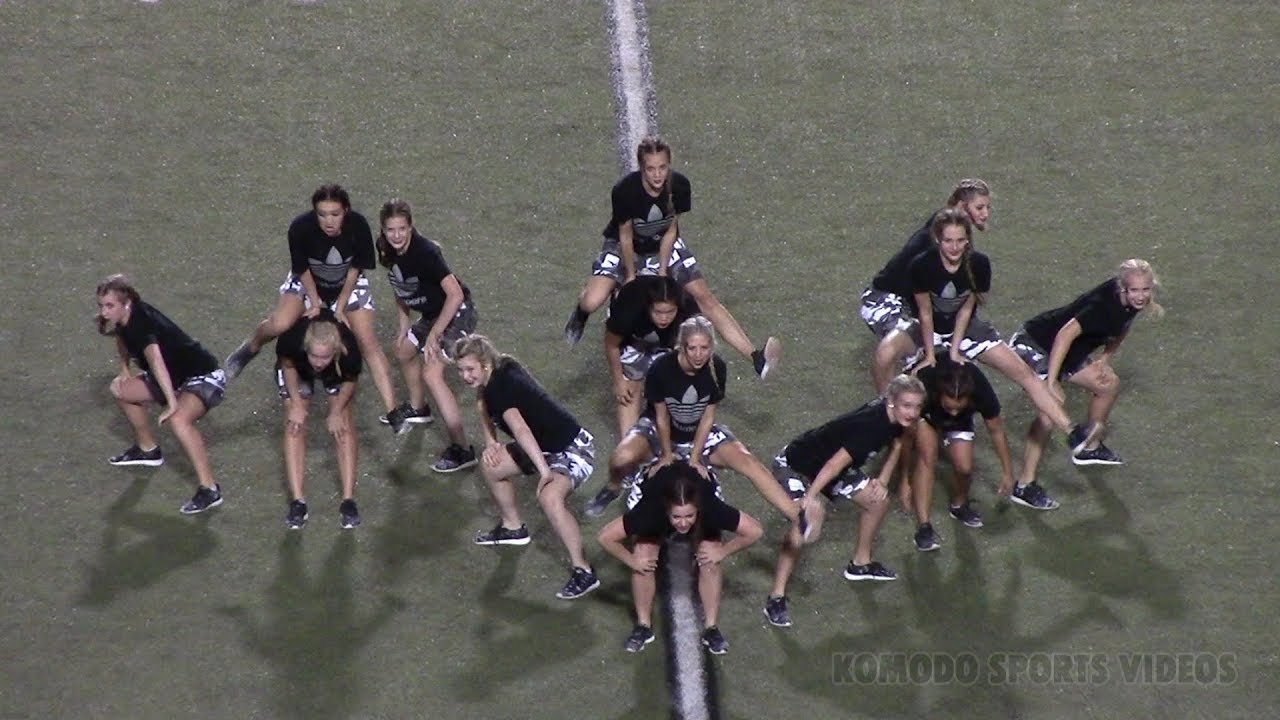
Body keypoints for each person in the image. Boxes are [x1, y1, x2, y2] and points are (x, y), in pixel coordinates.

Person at [874, 208, 1098, 459]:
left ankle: (1072, 433)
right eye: (948, 240)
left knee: (1024, 373)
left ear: (968, 239)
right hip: (925, 327)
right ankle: (887, 422)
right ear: (938, 239)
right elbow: (925, 313)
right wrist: (929, 354)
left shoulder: (979, 264)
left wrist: (955, 348)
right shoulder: (921, 265)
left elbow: (967, 309)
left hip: (966, 327)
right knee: (884, 353)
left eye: (960, 240)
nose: (954, 247)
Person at [562, 136, 781, 378]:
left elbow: (671, 228)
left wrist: (663, 271)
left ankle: (755, 357)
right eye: (651, 169)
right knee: (592, 301)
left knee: (705, 297)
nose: (657, 175)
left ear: (669, 165)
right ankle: (581, 312)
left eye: (662, 167)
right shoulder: (625, 191)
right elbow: (625, 235)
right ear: (641, 168)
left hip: (662, 243)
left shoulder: (679, 186)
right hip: (626, 246)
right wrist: (632, 278)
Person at [585, 317, 805, 530]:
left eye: (704, 348)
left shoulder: (716, 368)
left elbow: (708, 416)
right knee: (620, 459)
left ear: (712, 346)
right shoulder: (661, 369)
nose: (699, 355)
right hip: (660, 429)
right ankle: (614, 486)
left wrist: (695, 457)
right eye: (692, 348)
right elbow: (661, 417)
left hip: (699, 431)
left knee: (749, 463)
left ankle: (796, 516)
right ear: (682, 346)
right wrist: (667, 455)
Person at [224, 185, 405, 431]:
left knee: (368, 341)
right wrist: (315, 300)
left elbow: (355, 269)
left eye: (335, 214)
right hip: (309, 282)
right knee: (281, 323)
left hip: (347, 283)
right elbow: (302, 268)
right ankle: (252, 346)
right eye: (322, 214)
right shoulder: (300, 228)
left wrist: (340, 306)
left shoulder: (359, 226)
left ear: (346, 211)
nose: (328, 221)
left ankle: (393, 411)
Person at [763, 374, 925, 628]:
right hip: (798, 465)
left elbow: (899, 442)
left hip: (831, 468)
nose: (913, 412)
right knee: (801, 523)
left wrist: (882, 480)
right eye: (907, 405)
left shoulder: (898, 418)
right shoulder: (871, 427)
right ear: (891, 402)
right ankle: (776, 596)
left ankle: (861, 564)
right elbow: (832, 464)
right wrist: (809, 498)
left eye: (917, 406)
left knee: (877, 501)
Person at [1006, 259, 1163, 509]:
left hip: (1069, 353)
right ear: (1123, 289)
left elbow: (1123, 327)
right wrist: (1051, 382)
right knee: (1050, 409)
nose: (1141, 296)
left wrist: (1104, 359)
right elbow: (1064, 335)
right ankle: (1024, 486)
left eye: (1145, 290)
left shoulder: (1132, 303)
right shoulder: (1101, 306)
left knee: (1108, 384)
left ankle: (1089, 447)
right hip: (1035, 343)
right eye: (1135, 290)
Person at [456, 335, 600, 600]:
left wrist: (545, 472)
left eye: (470, 369)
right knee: (492, 466)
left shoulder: (501, 388)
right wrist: (491, 443)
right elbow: (482, 403)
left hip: (571, 448)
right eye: (461, 370)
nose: (465, 376)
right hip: (544, 444)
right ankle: (513, 528)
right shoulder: (497, 372)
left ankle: (584, 571)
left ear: (484, 364)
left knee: (550, 498)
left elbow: (521, 430)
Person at [597, 462, 763, 654]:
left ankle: (711, 628)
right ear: (668, 511)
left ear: (697, 510)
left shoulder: (710, 508)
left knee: (710, 559)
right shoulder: (651, 511)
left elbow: (755, 531)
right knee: (643, 556)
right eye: (677, 517)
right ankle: (643, 625)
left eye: (689, 516)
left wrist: (722, 552)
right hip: (651, 494)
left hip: (701, 497)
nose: (683, 523)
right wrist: (632, 561)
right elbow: (605, 537)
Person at [95, 274, 227, 515]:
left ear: (126, 304)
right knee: (120, 389)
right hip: (175, 378)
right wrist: (124, 368)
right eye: (102, 306)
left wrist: (171, 402)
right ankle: (148, 450)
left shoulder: (141, 322)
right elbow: (122, 338)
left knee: (178, 420)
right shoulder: (125, 317)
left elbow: (156, 362)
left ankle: (210, 489)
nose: (104, 312)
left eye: (109, 306)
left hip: (203, 376)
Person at [376, 199, 479, 473]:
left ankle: (462, 449)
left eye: (402, 229)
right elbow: (400, 287)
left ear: (411, 227)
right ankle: (419, 409)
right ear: (383, 231)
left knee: (432, 374)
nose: (396, 235)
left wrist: (434, 334)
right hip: (433, 314)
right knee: (404, 351)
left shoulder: (425, 253)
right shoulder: (385, 250)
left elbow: (455, 295)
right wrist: (403, 327)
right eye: (390, 230)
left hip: (457, 312)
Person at [862, 179, 992, 391]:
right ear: (961, 206)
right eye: (979, 207)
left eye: (987, 207)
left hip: (906, 299)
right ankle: (891, 409)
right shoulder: (939, 241)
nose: (985, 214)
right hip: (885, 299)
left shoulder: (944, 230)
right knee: (912, 357)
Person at [902, 359, 1015, 552]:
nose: (953, 412)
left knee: (964, 467)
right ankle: (924, 527)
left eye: (958, 407)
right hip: (927, 417)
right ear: (939, 394)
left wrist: (1008, 472)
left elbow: (996, 430)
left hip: (961, 422)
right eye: (949, 407)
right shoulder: (924, 387)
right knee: (927, 457)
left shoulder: (981, 391)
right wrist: (904, 479)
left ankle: (959, 505)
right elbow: (904, 439)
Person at [276, 313, 364, 530]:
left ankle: (348, 500)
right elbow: (287, 366)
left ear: (334, 351)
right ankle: (298, 502)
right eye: (314, 356)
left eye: (323, 357)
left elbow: (350, 382)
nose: (318, 362)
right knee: (294, 425)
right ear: (307, 348)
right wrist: (296, 404)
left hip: (336, 373)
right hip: (296, 368)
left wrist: (335, 411)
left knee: (343, 423)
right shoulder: (292, 342)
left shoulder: (349, 353)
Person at [602, 275, 695, 439]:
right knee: (629, 390)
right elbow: (612, 345)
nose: (664, 318)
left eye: (670, 312)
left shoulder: (688, 311)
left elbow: (695, 349)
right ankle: (629, 441)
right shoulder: (629, 310)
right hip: (633, 339)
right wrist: (619, 381)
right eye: (658, 312)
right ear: (649, 307)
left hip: (671, 342)